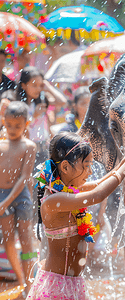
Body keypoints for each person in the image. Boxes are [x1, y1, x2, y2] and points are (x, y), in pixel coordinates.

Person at [27, 132, 125, 299]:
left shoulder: (67, 189)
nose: (90, 172)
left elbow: (99, 183)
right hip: (57, 285)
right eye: (86, 166)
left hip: (73, 282)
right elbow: (98, 195)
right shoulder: (53, 200)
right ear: (65, 167)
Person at [0, 101, 37, 296]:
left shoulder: (28, 146)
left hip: (20, 196)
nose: (13, 129)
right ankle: (21, 281)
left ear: (26, 124)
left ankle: (30, 284)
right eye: (9, 124)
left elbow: (25, 177)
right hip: (1, 194)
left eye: (18, 125)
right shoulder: (1, 144)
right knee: (8, 239)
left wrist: (5, 202)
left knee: (26, 240)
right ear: (3, 121)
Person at [16, 66, 67, 166]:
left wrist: (48, 88)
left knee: (44, 179)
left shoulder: (41, 102)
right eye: (34, 85)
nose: (38, 89)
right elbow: (19, 127)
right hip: (27, 148)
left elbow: (62, 102)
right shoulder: (19, 105)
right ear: (23, 85)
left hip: (43, 148)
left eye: (40, 85)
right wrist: (34, 116)